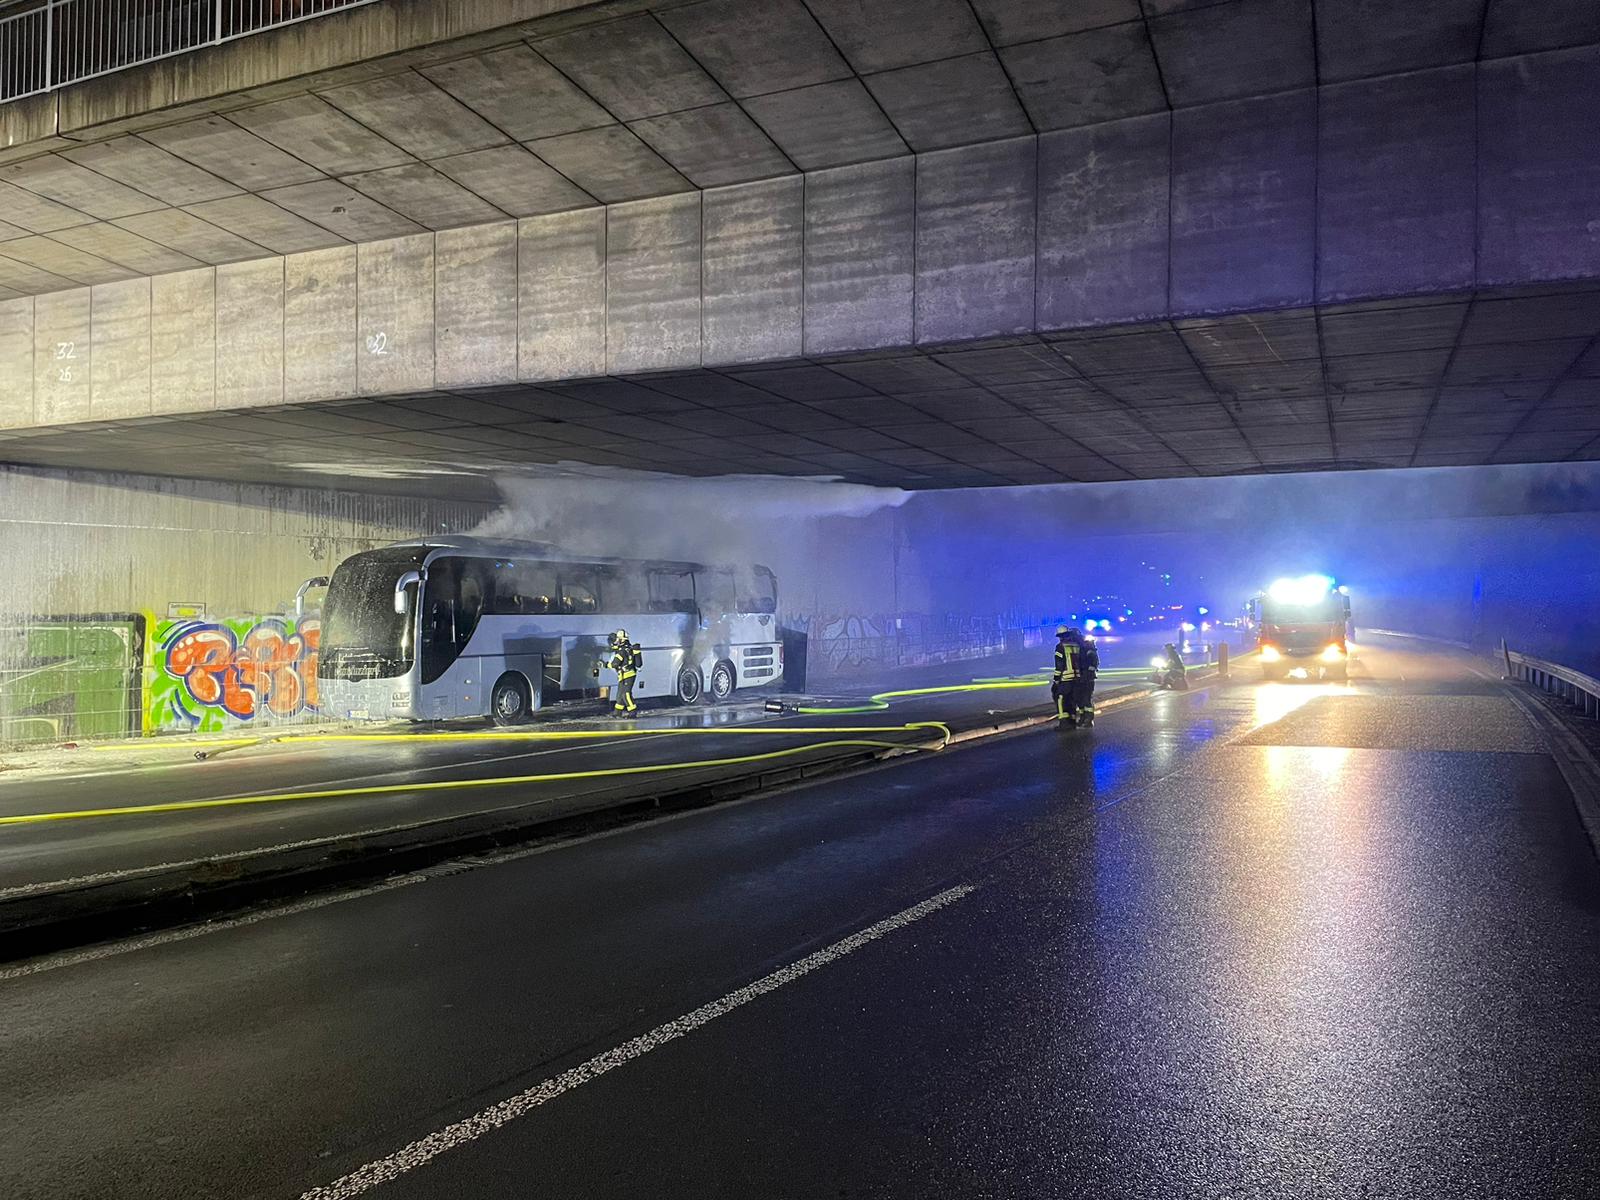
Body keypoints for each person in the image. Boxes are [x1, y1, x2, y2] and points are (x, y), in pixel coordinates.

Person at [608, 629, 643, 716]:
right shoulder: (628, 647)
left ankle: (632, 712)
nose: (616, 641)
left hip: (628, 675)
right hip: (624, 675)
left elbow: (614, 664)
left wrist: (605, 664)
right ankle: (617, 712)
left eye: (617, 639)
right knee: (620, 695)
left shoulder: (622, 651)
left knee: (626, 694)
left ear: (622, 640)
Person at [1052, 625, 1080, 726]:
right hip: (1077, 677)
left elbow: (1059, 665)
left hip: (1066, 678)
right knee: (1072, 699)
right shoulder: (1076, 645)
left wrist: (1056, 680)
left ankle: (1064, 722)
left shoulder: (1060, 647)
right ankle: (1072, 720)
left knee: (1060, 698)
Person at [1074, 632, 1100, 725]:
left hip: (1088, 678)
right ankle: (1083, 718)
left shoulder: (1090, 650)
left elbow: (1093, 664)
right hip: (1082, 677)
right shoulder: (1082, 649)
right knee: (1080, 699)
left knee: (1086, 698)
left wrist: (1087, 674)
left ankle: (1088, 719)